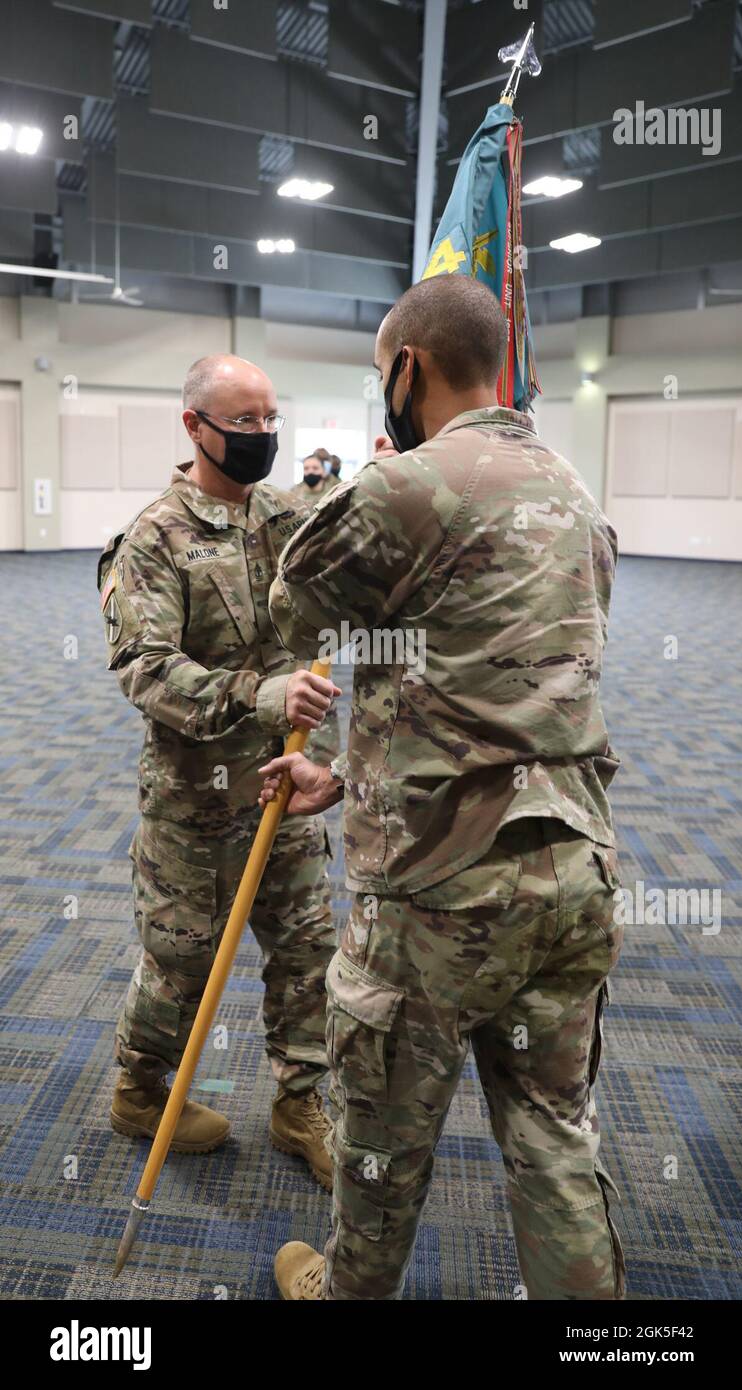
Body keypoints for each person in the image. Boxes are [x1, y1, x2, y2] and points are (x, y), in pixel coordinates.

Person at [258, 275, 625, 1300]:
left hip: (436, 896)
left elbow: (295, 614)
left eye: (384, 374)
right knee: (558, 1144)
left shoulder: (401, 485)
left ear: (408, 368)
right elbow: (494, 679)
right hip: (573, 872)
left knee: (381, 1146)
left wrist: (369, 483)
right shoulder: (575, 493)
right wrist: (348, 774)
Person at [97, 353, 341, 1189]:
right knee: (181, 962)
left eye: (272, 420)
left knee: (310, 948)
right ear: (195, 426)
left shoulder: (286, 518)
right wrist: (259, 693)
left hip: (287, 783)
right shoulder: (154, 538)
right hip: (195, 804)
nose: (264, 436)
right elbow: (145, 670)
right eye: (245, 423)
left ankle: (301, 1100)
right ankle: (139, 1087)